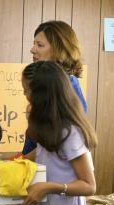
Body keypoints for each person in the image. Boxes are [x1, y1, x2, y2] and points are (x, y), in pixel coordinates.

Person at [21, 61, 97, 205]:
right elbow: (30, 158)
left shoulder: (70, 133)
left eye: (27, 89)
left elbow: (89, 186)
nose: (24, 93)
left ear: (42, 95)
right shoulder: (49, 129)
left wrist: (48, 187)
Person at [22, 20, 88, 155]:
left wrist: (21, 161)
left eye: (39, 45)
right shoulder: (47, 82)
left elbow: (62, 143)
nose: (32, 49)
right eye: (34, 43)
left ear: (59, 51)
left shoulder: (69, 86)